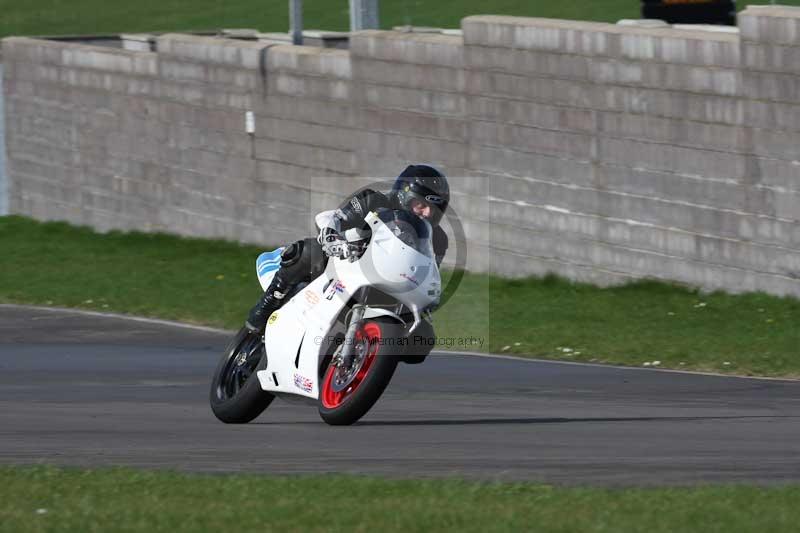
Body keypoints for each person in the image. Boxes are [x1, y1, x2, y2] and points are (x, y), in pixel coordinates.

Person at [245, 164, 450, 333]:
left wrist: (427, 300)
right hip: (345, 262)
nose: (427, 213)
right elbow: (334, 217)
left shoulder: (438, 239)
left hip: (390, 286)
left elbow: (429, 275)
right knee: (308, 251)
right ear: (404, 194)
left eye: (434, 209)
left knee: (423, 337)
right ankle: (268, 303)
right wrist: (331, 235)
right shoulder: (375, 200)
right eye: (421, 204)